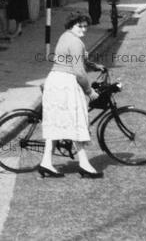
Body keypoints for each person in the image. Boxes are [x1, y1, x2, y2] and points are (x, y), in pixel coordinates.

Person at [40, 13, 106, 179]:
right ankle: (84, 164)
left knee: (55, 123)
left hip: (55, 80)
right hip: (66, 83)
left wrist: (94, 65)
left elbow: (73, 60)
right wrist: (89, 91)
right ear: (72, 25)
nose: (83, 29)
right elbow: (78, 71)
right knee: (76, 121)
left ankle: (46, 162)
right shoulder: (76, 42)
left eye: (85, 26)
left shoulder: (65, 37)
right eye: (80, 26)